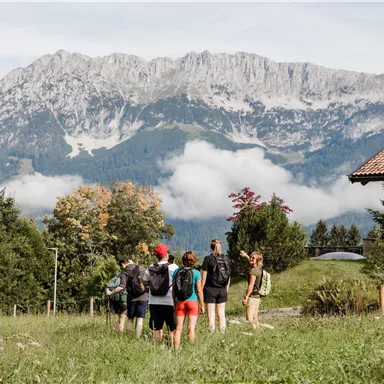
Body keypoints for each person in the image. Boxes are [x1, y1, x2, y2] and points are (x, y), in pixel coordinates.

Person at [143, 243, 178, 346]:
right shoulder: (173, 267)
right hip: (169, 301)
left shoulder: (150, 267)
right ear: (166, 255)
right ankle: (171, 347)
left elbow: (145, 282)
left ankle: (157, 347)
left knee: (156, 327)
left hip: (154, 302)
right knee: (171, 327)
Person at [172, 251, 205, 350]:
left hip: (180, 302)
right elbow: (199, 290)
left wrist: (175, 302)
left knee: (178, 328)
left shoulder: (176, 271)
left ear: (183, 260)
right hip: (192, 302)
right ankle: (190, 350)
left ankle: (175, 350)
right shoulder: (196, 273)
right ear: (194, 261)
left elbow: (173, 289)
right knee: (191, 328)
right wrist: (202, 305)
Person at [201, 239, 231, 333]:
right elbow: (228, 276)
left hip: (210, 289)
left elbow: (204, 276)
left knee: (211, 315)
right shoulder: (226, 259)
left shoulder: (208, 259)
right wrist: (226, 289)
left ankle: (212, 334)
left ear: (211, 247)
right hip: (222, 289)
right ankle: (222, 333)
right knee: (221, 314)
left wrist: (201, 290)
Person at [123, 260, 149, 338]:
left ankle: (128, 337)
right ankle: (137, 337)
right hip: (143, 297)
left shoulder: (125, 271)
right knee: (140, 319)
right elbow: (147, 281)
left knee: (130, 319)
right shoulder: (142, 268)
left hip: (131, 298)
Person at [240, 250, 263, 329]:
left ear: (257, 260)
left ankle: (253, 333)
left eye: (253, 258)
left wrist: (246, 297)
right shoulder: (260, 269)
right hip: (258, 296)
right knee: (255, 318)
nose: (251, 258)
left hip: (252, 297)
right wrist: (246, 256)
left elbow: (251, 285)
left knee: (249, 319)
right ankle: (258, 333)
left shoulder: (253, 271)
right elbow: (251, 261)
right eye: (251, 257)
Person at [105, 258, 129, 332]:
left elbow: (107, 287)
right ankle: (120, 335)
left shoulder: (116, 276)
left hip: (115, 300)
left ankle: (115, 330)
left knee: (120, 317)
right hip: (123, 299)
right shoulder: (126, 274)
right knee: (122, 319)